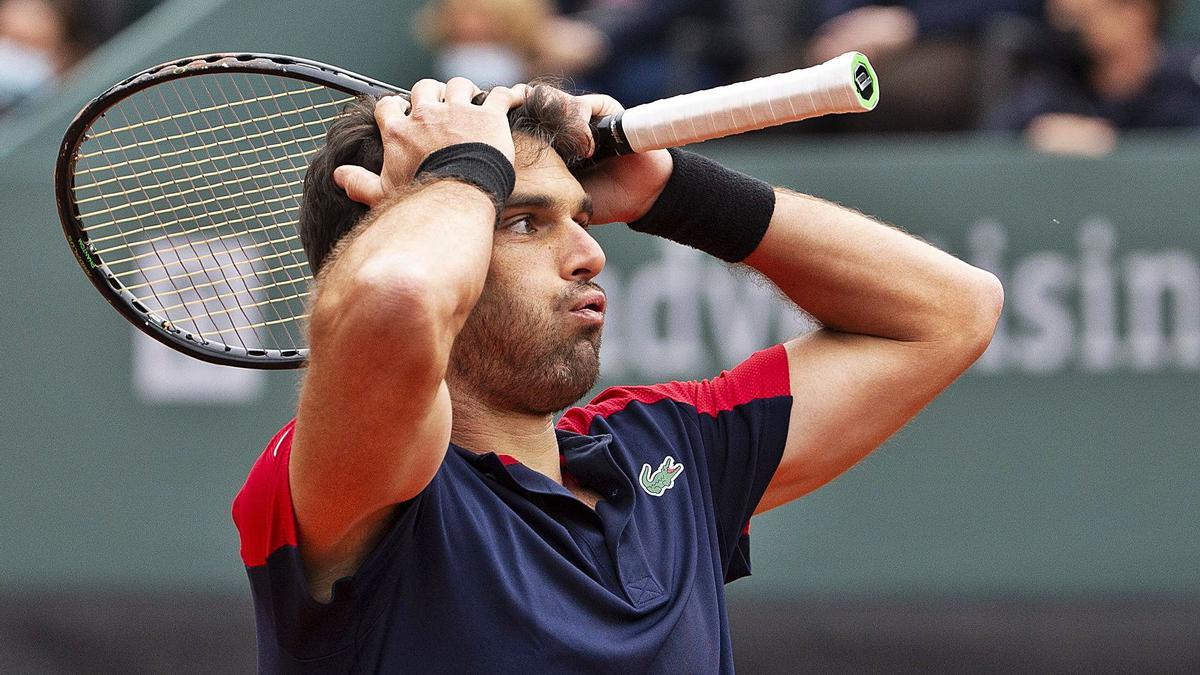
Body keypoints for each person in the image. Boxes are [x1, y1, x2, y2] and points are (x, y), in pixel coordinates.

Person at [231, 77, 1003, 671]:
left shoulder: (668, 450)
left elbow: (952, 311)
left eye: (583, 218)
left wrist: (676, 193)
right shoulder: (350, 480)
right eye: (525, 221)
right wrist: (459, 172)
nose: (591, 253)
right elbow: (396, 297)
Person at [985, 0, 1200, 156]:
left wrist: (1113, 145)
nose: (1068, 30)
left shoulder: (1186, 82)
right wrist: (1035, 136)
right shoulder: (1056, 82)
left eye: (1084, 18)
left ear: (1135, 13)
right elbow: (990, 144)